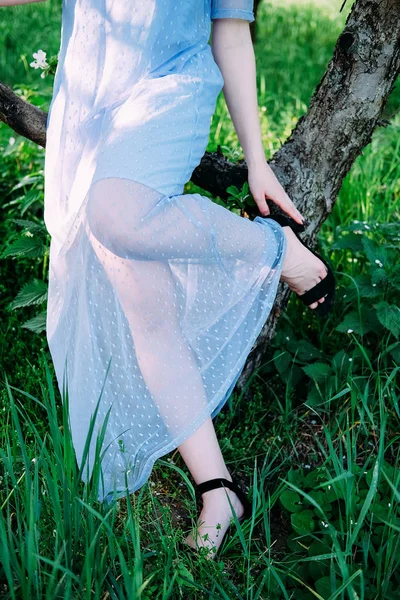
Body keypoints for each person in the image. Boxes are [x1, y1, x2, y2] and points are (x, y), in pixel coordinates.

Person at [2, 0, 334, 560]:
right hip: (89, 104)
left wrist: (257, 162)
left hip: (168, 89)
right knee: (144, 303)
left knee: (117, 214)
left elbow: (231, 33)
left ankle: (277, 249)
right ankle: (218, 489)